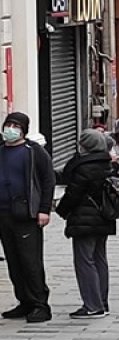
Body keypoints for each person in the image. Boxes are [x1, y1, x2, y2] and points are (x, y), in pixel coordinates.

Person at [55, 129, 115, 319]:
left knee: (84, 261)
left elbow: (73, 194)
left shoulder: (83, 167)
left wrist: (60, 210)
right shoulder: (106, 164)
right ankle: (102, 302)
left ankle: (92, 305)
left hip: (84, 219)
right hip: (103, 217)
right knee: (99, 259)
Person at [0, 113, 54, 323]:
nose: (10, 129)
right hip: (4, 214)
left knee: (30, 262)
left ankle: (40, 304)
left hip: (26, 215)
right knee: (13, 261)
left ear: (23, 129)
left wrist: (44, 209)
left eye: (15, 126)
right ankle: (24, 301)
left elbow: (48, 180)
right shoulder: (2, 151)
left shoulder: (33, 152)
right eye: (8, 125)